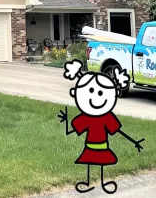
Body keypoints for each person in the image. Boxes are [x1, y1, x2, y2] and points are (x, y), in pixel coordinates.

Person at [58, 60, 144, 194]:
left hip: (103, 148)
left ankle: (103, 183)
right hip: (89, 148)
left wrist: (135, 142)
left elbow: (118, 131)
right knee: (89, 164)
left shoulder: (106, 117)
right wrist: (66, 121)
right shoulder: (86, 118)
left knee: (101, 165)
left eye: (100, 93)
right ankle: (88, 182)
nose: (96, 98)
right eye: (91, 91)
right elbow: (71, 131)